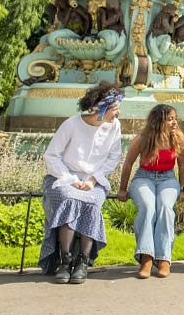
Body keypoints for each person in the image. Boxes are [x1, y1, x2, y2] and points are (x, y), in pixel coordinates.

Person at [39, 82, 124, 283]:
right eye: (114, 109)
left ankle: (83, 261)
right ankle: (65, 259)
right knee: (69, 199)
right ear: (100, 108)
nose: (118, 113)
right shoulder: (71, 124)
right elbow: (52, 156)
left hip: (94, 181)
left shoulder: (114, 127)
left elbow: (114, 156)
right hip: (63, 178)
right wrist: (71, 180)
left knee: (92, 204)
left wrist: (94, 180)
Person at [116, 104, 184, 278]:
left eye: (175, 119)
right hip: (144, 177)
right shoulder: (143, 139)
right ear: (158, 121)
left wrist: (183, 188)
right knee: (148, 207)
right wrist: (122, 189)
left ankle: (164, 258)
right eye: (170, 119)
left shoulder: (178, 139)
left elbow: (183, 165)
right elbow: (128, 164)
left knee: (165, 207)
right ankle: (146, 257)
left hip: (168, 179)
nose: (174, 123)